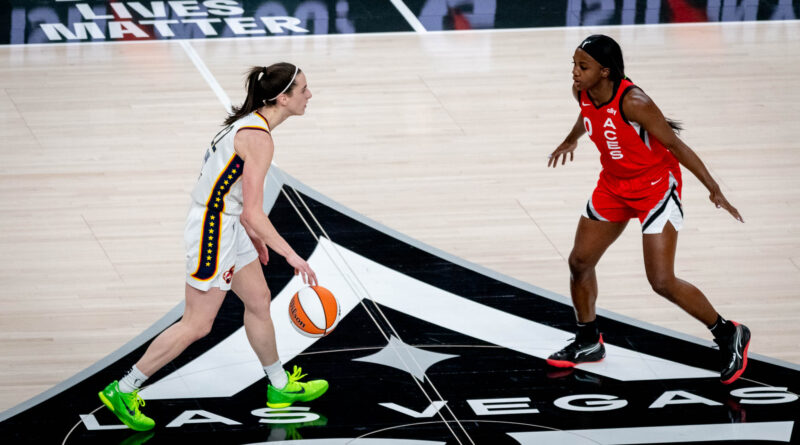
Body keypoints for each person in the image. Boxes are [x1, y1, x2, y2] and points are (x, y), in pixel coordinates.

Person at [98, 63, 329, 431]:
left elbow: (236, 196)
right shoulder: (259, 139)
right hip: (213, 229)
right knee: (197, 324)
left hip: (226, 222)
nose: (309, 95)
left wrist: (251, 235)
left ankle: (279, 385)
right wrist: (290, 253)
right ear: (283, 98)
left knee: (258, 300)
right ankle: (124, 389)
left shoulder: (251, 123)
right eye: (303, 89)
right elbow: (254, 211)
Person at [546, 35, 750, 385]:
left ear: (605, 71)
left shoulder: (635, 102)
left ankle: (729, 332)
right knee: (579, 262)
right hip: (613, 185)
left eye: (583, 66)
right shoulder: (582, 92)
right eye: (574, 65)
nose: (575, 72)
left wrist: (714, 188)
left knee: (661, 281)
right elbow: (587, 115)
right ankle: (588, 340)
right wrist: (571, 138)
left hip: (655, 188)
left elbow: (675, 145)